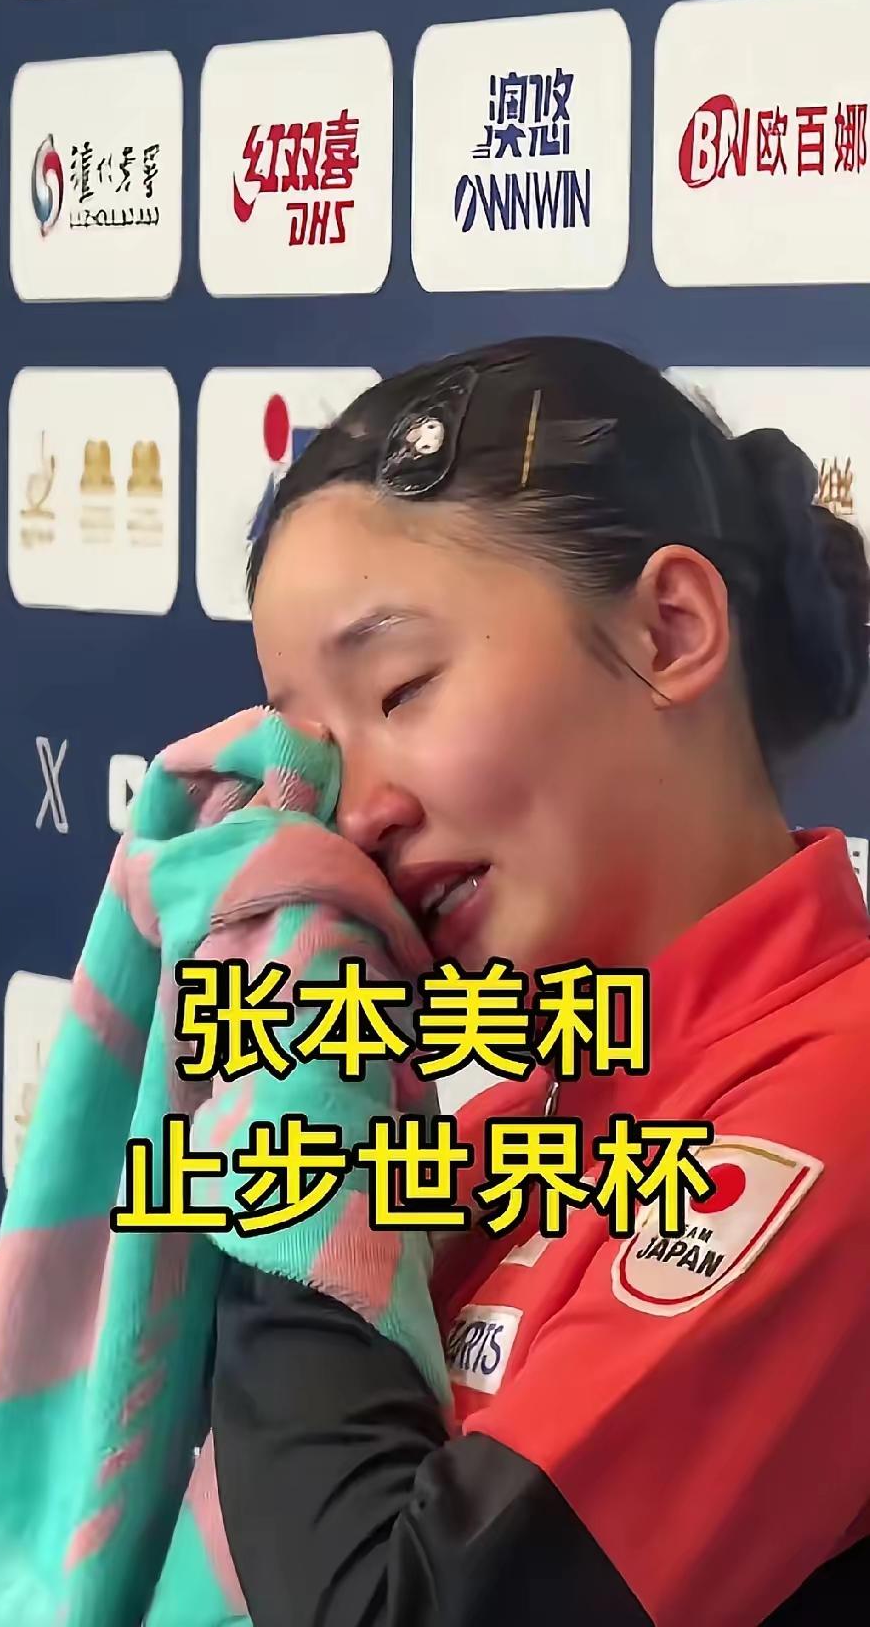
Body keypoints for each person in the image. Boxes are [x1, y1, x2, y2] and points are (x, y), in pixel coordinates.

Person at [210, 337, 870, 1625]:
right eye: (317, 752)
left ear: (671, 631)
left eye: (402, 688)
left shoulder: (836, 1108)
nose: (353, 814)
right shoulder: (525, 1113)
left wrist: (288, 1146)